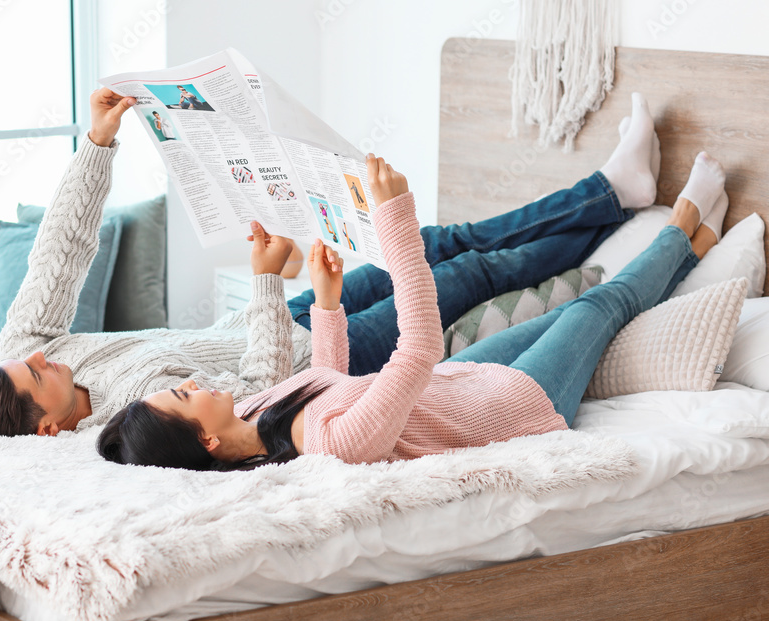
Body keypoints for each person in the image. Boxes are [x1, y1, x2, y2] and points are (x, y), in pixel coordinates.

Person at [0, 88, 712, 438]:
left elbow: (59, 252)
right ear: (48, 427)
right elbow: (260, 389)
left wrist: (98, 146)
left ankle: (610, 193)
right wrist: (271, 290)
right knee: (469, 279)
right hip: (313, 351)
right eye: (38, 377)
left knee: (438, 240)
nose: (43, 356)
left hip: (284, 311)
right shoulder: (141, 422)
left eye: (31, 359)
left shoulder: (27, 354)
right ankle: (611, 206)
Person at [98, 143, 726, 470]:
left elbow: (331, 379)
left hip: (467, 383)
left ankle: (687, 245)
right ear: (206, 438)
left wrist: (327, 302)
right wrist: (395, 221)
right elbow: (419, 347)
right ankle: (683, 228)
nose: (189, 382)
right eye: (182, 397)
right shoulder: (330, 446)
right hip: (517, 407)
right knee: (597, 308)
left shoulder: (259, 414)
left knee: (563, 308)